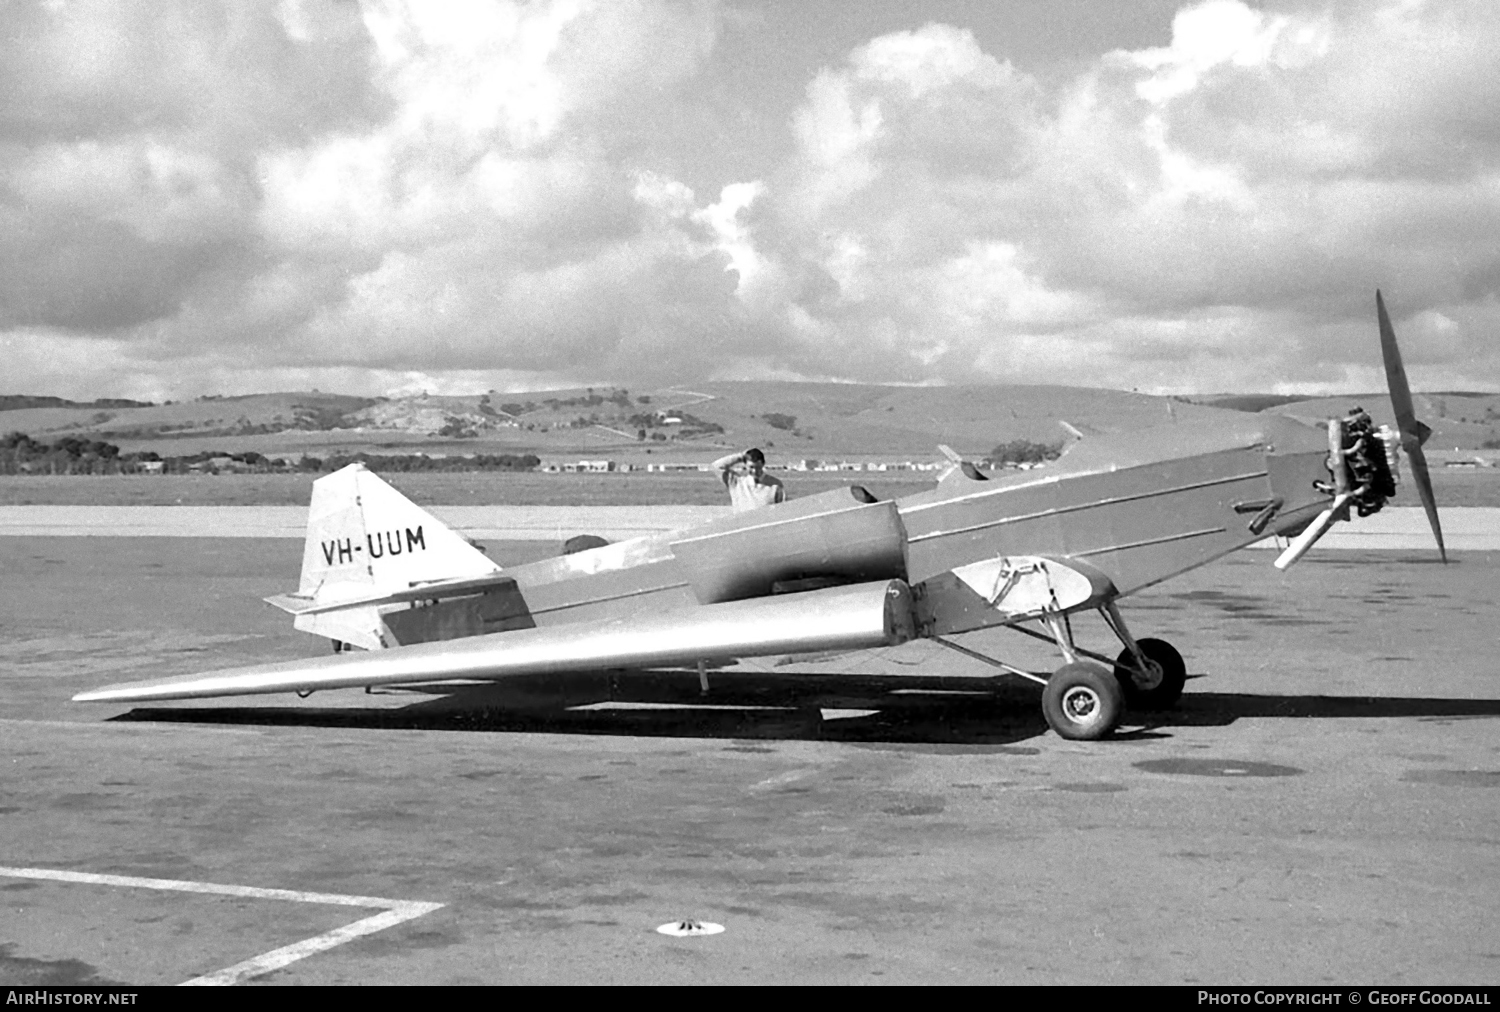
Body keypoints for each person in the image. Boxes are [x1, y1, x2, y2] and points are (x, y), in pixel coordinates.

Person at [711, 447, 785, 511]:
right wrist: (741, 456)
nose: (754, 471)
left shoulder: (775, 485)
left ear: (763, 464)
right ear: (745, 465)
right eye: (751, 467)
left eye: (758, 467)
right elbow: (716, 466)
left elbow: (782, 511)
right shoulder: (736, 482)